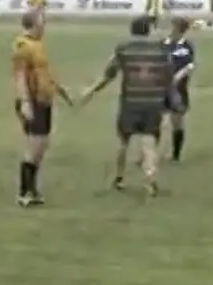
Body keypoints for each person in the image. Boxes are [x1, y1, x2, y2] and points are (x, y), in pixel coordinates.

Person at [79, 16, 174, 195]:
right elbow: (168, 78)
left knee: (124, 141)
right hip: (153, 102)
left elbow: (109, 74)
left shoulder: (123, 49)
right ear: (149, 30)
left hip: (130, 102)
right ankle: (150, 176)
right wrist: (168, 101)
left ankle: (119, 177)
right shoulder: (161, 51)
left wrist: (90, 91)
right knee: (149, 142)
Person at [11, 9, 72, 206]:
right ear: (33, 24)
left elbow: (46, 73)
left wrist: (61, 91)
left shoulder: (38, 45)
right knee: (35, 145)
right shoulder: (23, 46)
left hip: (44, 100)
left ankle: (32, 189)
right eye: (42, 21)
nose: (45, 25)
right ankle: (24, 191)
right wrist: (26, 103)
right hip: (33, 101)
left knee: (42, 145)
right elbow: (20, 77)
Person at [162, 16, 196, 162]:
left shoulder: (186, 46)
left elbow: (189, 66)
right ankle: (147, 154)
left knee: (177, 121)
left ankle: (176, 155)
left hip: (178, 89)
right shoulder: (163, 43)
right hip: (161, 87)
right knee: (154, 121)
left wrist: (177, 78)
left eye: (174, 27)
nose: (172, 30)